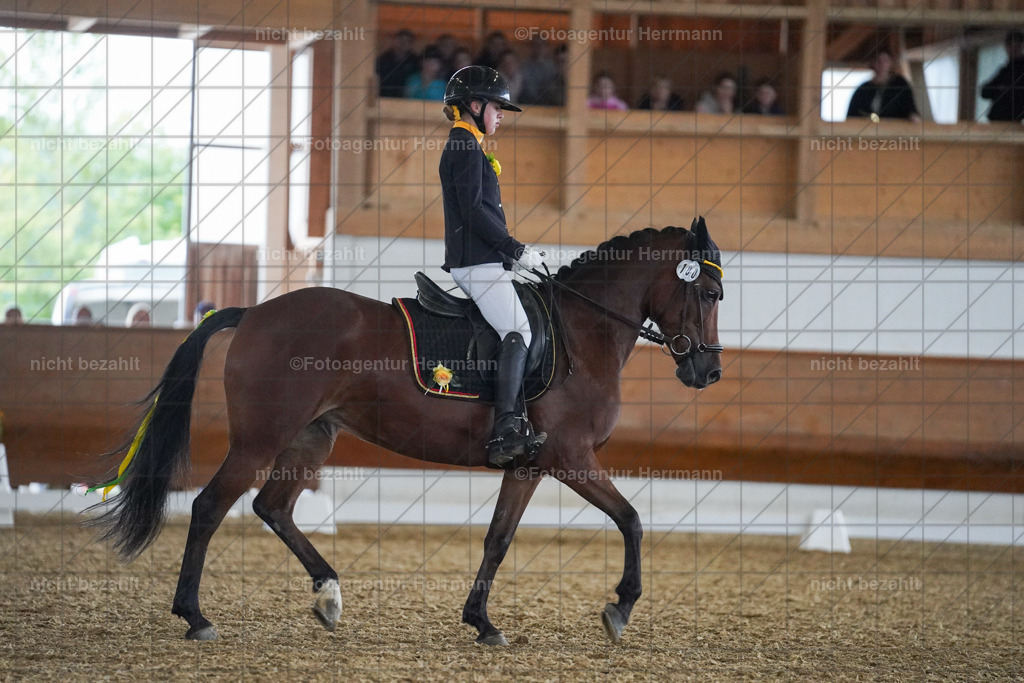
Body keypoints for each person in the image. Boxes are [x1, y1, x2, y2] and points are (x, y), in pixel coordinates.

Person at [439, 65, 547, 468]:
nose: (501, 115)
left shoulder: (472, 146)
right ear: (473, 104)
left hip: (485, 261)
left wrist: (508, 256)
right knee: (518, 330)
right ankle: (505, 429)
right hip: (476, 264)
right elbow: (473, 211)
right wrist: (514, 249)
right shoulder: (465, 147)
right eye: (497, 107)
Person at [846, 50, 921, 122]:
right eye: (878, 61)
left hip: (896, 130)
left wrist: (913, 116)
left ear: (891, 62)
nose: (881, 64)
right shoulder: (863, 89)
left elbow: (910, 108)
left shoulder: (900, 84)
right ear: (872, 63)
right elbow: (852, 115)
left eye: (885, 60)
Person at [980, 30, 1024, 122]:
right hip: (998, 119)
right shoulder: (1006, 69)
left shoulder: (1019, 69)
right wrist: (999, 89)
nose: (1013, 50)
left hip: (1012, 121)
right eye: (1011, 46)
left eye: (1017, 47)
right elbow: (985, 91)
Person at [376, 29, 420, 99]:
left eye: (408, 41)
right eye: (401, 40)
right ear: (394, 41)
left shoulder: (415, 61)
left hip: (406, 98)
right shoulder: (383, 59)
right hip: (384, 97)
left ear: (411, 44)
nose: (403, 44)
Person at [519, 37, 560, 105]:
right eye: (536, 45)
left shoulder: (552, 66)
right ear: (532, 48)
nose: (539, 48)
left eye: (542, 45)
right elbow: (525, 87)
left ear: (546, 47)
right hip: (530, 103)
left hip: (549, 104)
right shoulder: (525, 67)